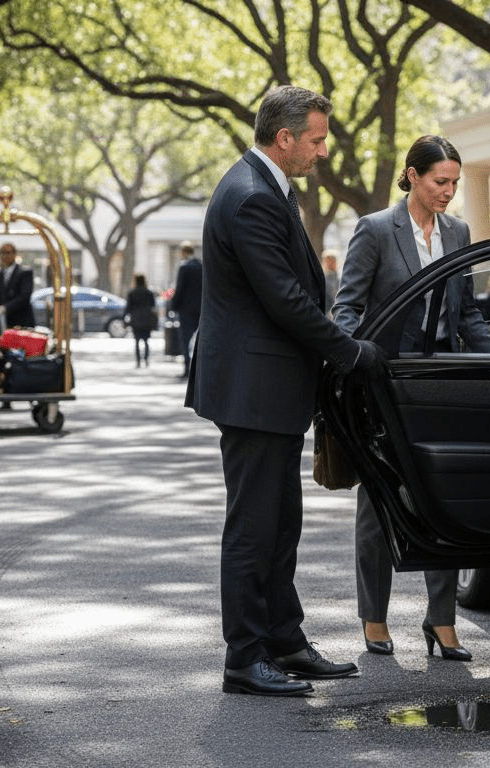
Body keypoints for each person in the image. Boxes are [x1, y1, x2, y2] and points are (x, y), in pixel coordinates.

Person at [185, 84, 382, 697]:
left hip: (267, 387)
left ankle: (285, 640)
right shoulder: (250, 196)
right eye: (317, 139)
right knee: (253, 527)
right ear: (286, 136)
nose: (324, 150)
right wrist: (348, 350)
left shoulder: (265, 186)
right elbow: (284, 298)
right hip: (253, 387)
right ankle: (244, 657)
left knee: (281, 522)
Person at [332, 134, 490, 662]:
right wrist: (355, 361)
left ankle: (443, 621)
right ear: (412, 175)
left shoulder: (458, 231)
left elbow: (468, 314)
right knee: (379, 504)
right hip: (384, 389)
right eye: (439, 181)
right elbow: (347, 308)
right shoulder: (376, 230)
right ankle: (375, 617)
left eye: (455, 182)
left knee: (443, 501)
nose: (449, 192)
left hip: (441, 387)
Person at [169, 241, 202, 378]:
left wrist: (174, 306)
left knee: (186, 338)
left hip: (185, 309)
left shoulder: (183, 267)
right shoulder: (202, 266)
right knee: (198, 339)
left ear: (184, 252)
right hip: (201, 307)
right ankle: (197, 368)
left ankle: (187, 367)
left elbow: (180, 288)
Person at [0, 242, 35, 328]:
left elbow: (24, 297)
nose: (4, 256)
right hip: (3, 323)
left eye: (8, 253)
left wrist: (5, 308)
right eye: (2, 253)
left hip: (21, 322)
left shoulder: (25, 272)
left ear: (14, 254)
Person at [125, 273, 157, 368]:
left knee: (137, 341)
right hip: (147, 319)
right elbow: (153, 306)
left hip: (136, 319)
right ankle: (146, 359)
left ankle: (138, 361)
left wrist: (125, 319)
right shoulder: (149, 292)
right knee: (146, 341)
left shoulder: (132, 293)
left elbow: (128, 308)